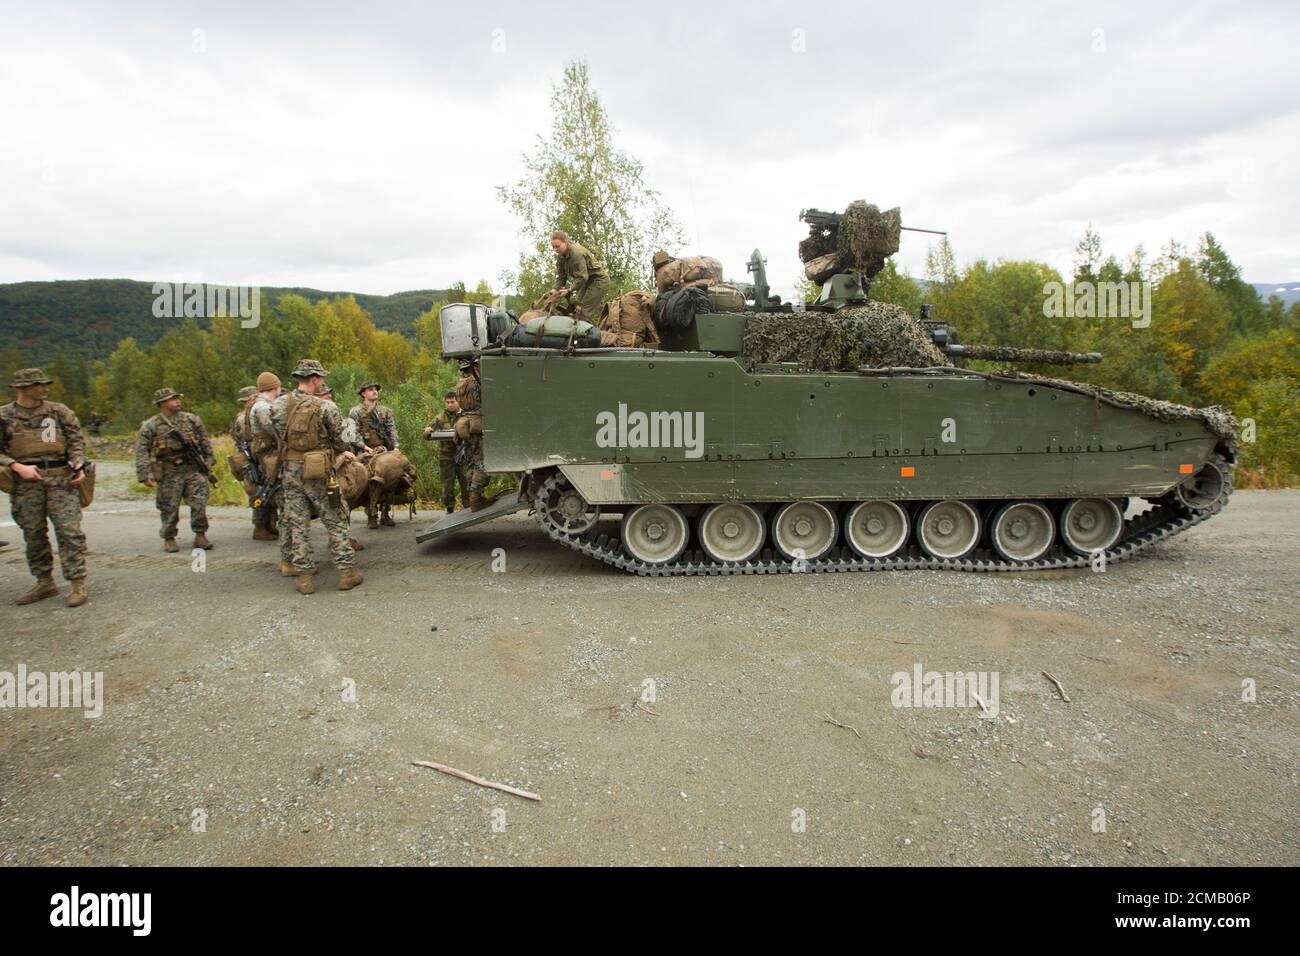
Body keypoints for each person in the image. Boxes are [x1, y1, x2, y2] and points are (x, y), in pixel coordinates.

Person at [269, 359, 362, 594]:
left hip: (290, 471)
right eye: (321, 378)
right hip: (319, 472)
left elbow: (277, 436)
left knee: (297, 524)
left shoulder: (278, 405)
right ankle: (346, 573)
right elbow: (340, 441)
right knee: (335, 519)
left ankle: (304, 579)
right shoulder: (326, 408)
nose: (322, 382)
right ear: (313, 379)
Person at [0, 368, 90, 607]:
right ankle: (44, 582)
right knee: (34, 534)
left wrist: (78, 463)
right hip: (26, 483)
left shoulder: (59, 411)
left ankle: (77, 583)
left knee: (70, 532)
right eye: (38, 384)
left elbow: (76, 441)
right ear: (22, 388)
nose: (44, 388)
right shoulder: (4, 416)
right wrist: (16, 466)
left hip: (61, 479)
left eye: (44, 383)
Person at [134, 387, 214, 553]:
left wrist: (208, 461)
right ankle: (169, 537)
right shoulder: (151, 425)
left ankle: (200, 534)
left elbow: (205, 441)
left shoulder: (191, 420)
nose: (177, 401)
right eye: (173, 399)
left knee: (199, 502)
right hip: (169, 472)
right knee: (169, 507)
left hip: (192, 469)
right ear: (162, 403)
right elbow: (142, 449)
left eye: (177, 398)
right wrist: (144, 473)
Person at [347, 381, 400, 528]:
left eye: (376, 389)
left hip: (384, 450)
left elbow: (392, 431)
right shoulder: (356, 412)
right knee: (370, 481)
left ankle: (385, 513)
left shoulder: (385, 411)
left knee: (393, 475)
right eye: (370, 389)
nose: (374, 391)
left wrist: (395, 447)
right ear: (363, 393)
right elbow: (352, 433)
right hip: (364, 451)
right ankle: (371, 513)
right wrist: (364, 447)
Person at [233, 385, 277, 541]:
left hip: (258, 457)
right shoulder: (244, 418)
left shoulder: (250, 414)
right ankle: (260, 527)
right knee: (260, 492)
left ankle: (270, 524)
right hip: (253, 459)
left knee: (268, 490)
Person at [454, 359, 494, 512]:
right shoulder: (478, 383)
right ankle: (476, 499)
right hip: (477, 426)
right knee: (485, 463)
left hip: (465, 425)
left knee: (471, 462)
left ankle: (473, 497)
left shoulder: (461, 384)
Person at [550, 229, 610, 322]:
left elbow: (582, 277)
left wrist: (569, 290)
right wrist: (554, 290)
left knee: (582, 312)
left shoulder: (576, 253)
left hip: (599, 281)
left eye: (557, 246)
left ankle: (583, 335)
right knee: (574, 309)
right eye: (553, 247)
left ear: (566, 242)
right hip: (586, 282)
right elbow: (561, 277)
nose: (555, 250)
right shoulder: (561, 256)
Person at [423, 390, 467, 513]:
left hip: (464, 456)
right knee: (447, 486)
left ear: (458, 401)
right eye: (447, 402)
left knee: (466, 483)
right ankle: (449, 509)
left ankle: (468, 508)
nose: (450, 405)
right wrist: (427, 431)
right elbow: (427, 432)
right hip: (447, 456)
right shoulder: (440, 417)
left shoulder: (466, 415)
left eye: (452, 402)